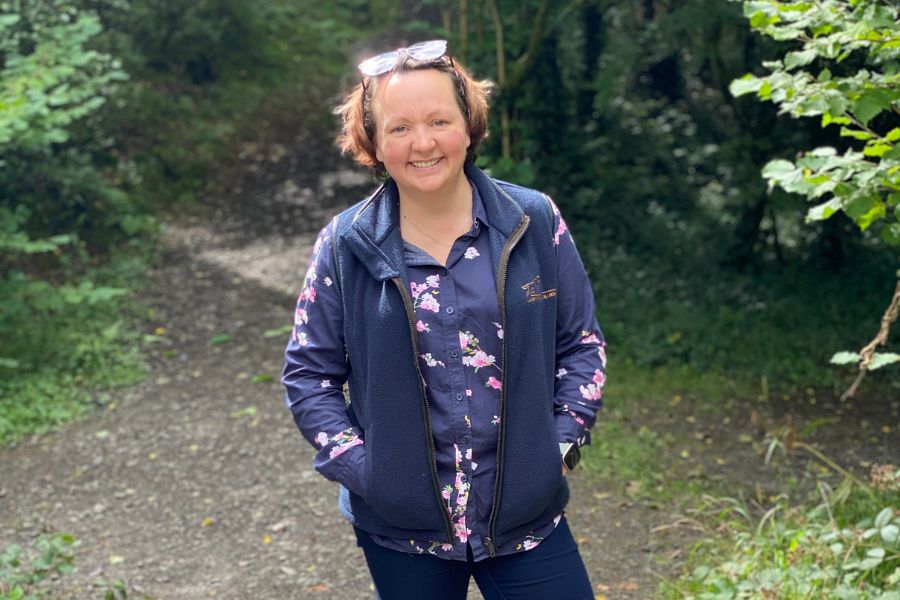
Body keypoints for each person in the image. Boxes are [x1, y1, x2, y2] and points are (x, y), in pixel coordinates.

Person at [281, 39, 607, 600]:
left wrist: (557, 447)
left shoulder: (531, 221)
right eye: (400, 127)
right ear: (374, 142)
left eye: (439, 120)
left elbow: (581, 345)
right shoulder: (346, 244)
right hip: (402, 532)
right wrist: (370, 474)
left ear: (468, 125)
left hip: (527, 518)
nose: (423, 142)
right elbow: (309, 375)